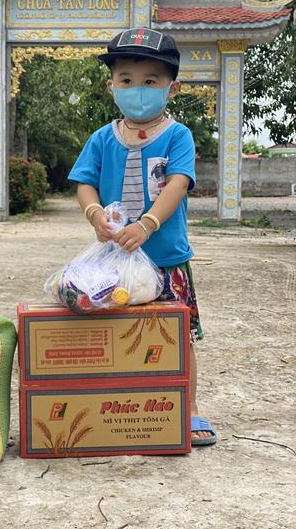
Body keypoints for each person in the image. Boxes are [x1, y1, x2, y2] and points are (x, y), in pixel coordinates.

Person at [68, 27, 217, 446]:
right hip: (114, 265)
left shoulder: (177, 135)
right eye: (127, 80)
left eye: (150, 81)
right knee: (118, 333)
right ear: (111, 86)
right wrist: (94, 214)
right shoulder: (102, 139)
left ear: (172, 88)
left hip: (166, 259)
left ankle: (188, 409)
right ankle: (124, 406)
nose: (138, 89)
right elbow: (84, 183)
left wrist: (148, 224)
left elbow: (178, 183)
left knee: (179, 336)